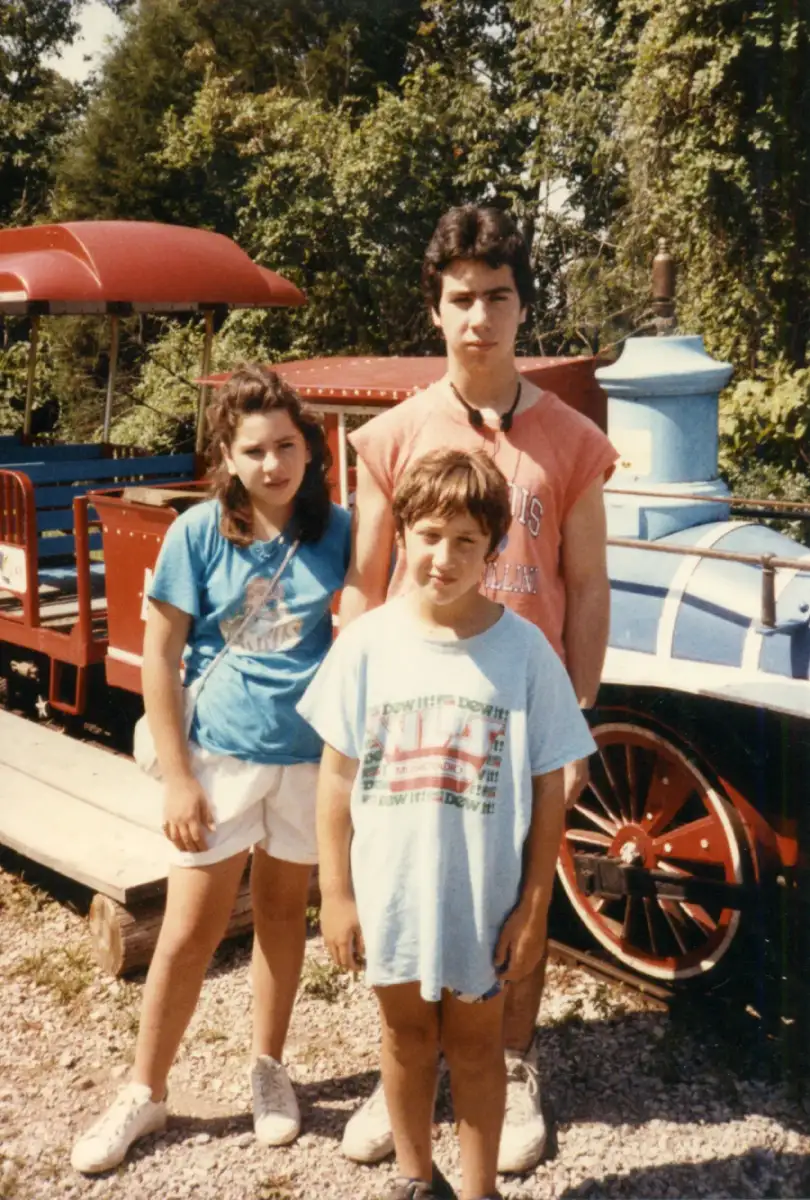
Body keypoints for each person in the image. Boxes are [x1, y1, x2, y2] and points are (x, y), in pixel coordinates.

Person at [338, 205, 618, 1173]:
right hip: (415, 720)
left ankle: (516, 1061)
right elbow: (363, 581)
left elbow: (587, 586)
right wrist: (353, 711)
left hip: (520, 716)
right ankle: (400, 1072)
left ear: (523, 305)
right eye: (460, 298)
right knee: (409, 892)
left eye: (497, 297)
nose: (478, 318)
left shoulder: (573, 441)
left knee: (516, 904)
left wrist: (574, 718)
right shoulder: (390, 437)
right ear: (436, 310)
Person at [71, 365, 351, 1175]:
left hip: (307, 763)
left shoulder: (337, 529)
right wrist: (181, 779)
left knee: (278, 916)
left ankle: (268, 1066)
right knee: (190, 929)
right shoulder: (196, 532)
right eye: (256, 450)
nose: (274, 465)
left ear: (310, 448)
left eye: (288, 446)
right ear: (228, 455)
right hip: (221, 759)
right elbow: (159, 656)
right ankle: (145, 1089)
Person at [299, 449, 597, 1200]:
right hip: (392, 894)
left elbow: (551, 784)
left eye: (468, 540)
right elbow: (335, 776)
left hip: (485, 902)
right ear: (401, 534)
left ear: (495, 548)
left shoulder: (526, 653)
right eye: (430, 535)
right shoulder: (366, 644)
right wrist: (335, 892)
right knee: (404, 1038)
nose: (445, 556)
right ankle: (411, 1174)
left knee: (475, 1049)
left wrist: (534, 904)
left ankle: (477, 1189)